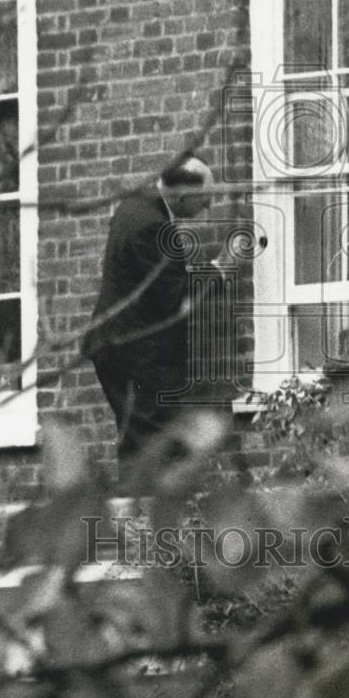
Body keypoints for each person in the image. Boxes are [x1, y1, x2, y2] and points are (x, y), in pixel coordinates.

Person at [82, 152, 214, 485]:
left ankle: (138, 509)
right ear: (181, 195)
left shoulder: (136, 208)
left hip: (121, 346)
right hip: (137, 354)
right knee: (152, 443)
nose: (207, 208)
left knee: (140, 440)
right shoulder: (153, 226)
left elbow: (157, 282)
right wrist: (221, 269)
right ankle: (143, 511)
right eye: (204, 199)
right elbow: (175, 298)